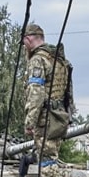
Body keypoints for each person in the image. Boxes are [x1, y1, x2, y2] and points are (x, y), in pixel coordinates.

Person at [22, 23, 73, 165]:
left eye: (24, 42)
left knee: (45, 160)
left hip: (45, 118)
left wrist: (30, 122)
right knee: (52, 156)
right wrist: (69, 115)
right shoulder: (60, 59)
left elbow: (36, 92)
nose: (24, 46)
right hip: (59, 116)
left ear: (29, 39)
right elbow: (68, 90)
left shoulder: (38, 60)